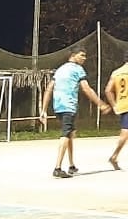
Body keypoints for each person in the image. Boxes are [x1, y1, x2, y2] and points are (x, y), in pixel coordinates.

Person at [41, 49, 111, 179]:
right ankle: (57, 168)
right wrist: (100, 104)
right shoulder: (78, 69)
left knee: (71, 134)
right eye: (82, 55)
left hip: (58, 106)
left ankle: (71, 165)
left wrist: (43, 109)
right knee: (66, 134)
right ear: (73, 56)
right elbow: (86, 88)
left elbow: (49, 88)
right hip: (68, 105)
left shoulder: (60, 69)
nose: (84, 58)